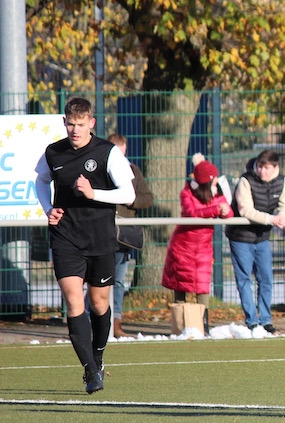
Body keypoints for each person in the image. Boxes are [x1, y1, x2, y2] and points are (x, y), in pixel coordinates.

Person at [33, 97, 137, 393]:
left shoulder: (108, 152)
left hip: (100, 238)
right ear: (64, 123)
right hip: (66, 237)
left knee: (99, 303)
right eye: (70, 124)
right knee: (73, 300)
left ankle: (98, 355)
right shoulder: (53, 152)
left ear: (91, 123)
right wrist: (47, 209)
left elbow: (128, 194)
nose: (75, 130)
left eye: (80, 124)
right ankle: (91, 371)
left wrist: (94, 194)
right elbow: (40, 181)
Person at [161, 154, 233, 334]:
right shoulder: (187, 193)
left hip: (203, 248)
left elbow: (228, 211)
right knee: (180, 285)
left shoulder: (216, 194)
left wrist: (225, 211)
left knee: (202, 286)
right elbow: (192, 212)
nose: (216, 182)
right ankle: (180, 325)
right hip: (183, 247)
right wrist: (215, 209)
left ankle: (203, 324)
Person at [226, 149, 285, 333]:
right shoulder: (245, 180)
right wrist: (271, 219)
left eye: (266, 168)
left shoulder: (282, 182)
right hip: (241, 237)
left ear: (275, 168)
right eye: (260, 166)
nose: (262, 171)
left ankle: (265, 320)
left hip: (262, 238)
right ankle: (252, 321)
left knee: (266, 279)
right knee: (244, 280)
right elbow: (245, 210)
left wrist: (283, 217)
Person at [107, 133, 154, 338]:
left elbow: (147, 197)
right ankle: (91, 320)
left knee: (117, 281)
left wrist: (131, 200)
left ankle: (116, 321)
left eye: (122, 152)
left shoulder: (133, 171)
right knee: (97, 279)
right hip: (102, 231)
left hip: (123, 235)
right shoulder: (100, 171)